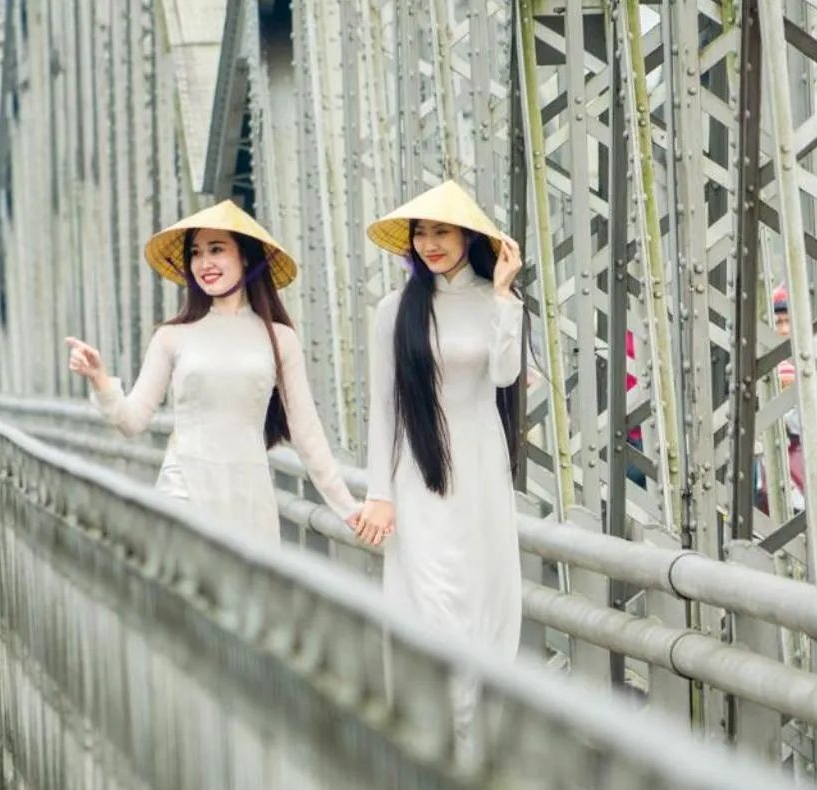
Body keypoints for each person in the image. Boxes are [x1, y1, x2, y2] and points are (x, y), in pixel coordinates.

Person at [63, 200, 360, 535]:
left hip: (249, 496)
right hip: (183, 489)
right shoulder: (172, 336)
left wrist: (349, 508)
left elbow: (307, 433)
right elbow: (132, 422)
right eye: (195, 252)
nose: (204, 263)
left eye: (216, 249)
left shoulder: (279, 338)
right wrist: (100, 380)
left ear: (245, 256)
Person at [351, 180, 528, 688]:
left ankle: (478, 728)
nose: (430, 243)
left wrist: (503, 296)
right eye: (421, 233)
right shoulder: (394, 311)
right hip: (418, 476)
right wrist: (379, 494)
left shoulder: (497, 303)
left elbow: (504, 376)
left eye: (442, 232)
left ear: (468, 237)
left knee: (483, 598)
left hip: (481, 472)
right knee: (429, 603)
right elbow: (385, 408)